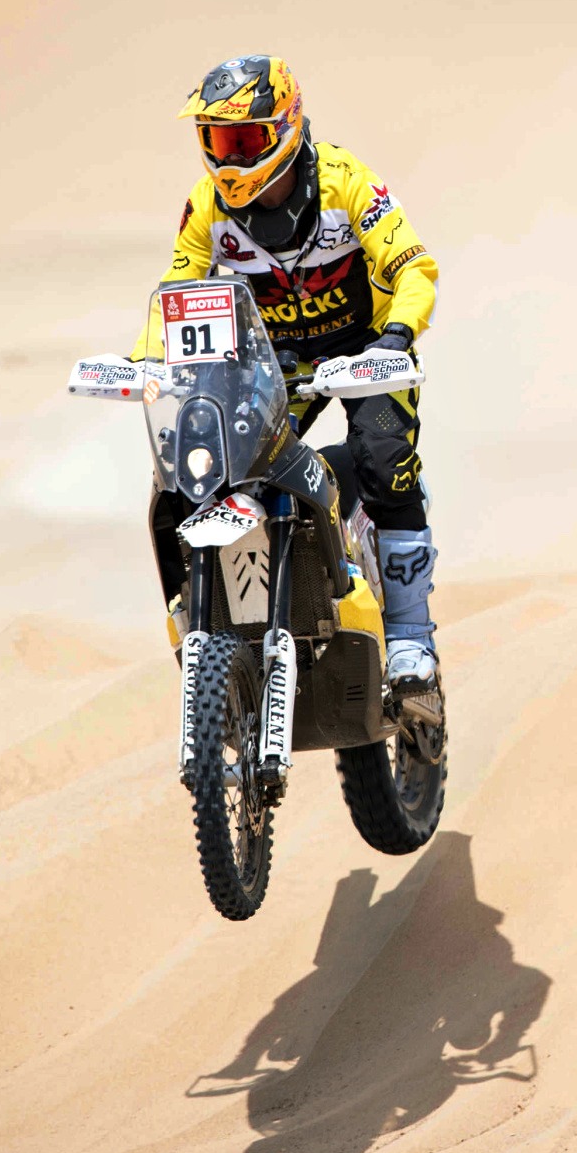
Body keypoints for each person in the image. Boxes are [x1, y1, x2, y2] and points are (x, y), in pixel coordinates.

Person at [132, 55, 443, 690]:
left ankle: (412, 636)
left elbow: (414, 267)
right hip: (272, 361)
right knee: (219, 465)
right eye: (219, 141)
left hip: (363, 349)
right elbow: (176, 289)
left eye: (245, 140)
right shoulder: (207, 207)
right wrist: (146, 360)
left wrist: (397, 335)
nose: (232, 160)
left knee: (385, 459)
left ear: (286, 127)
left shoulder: (347, 182)